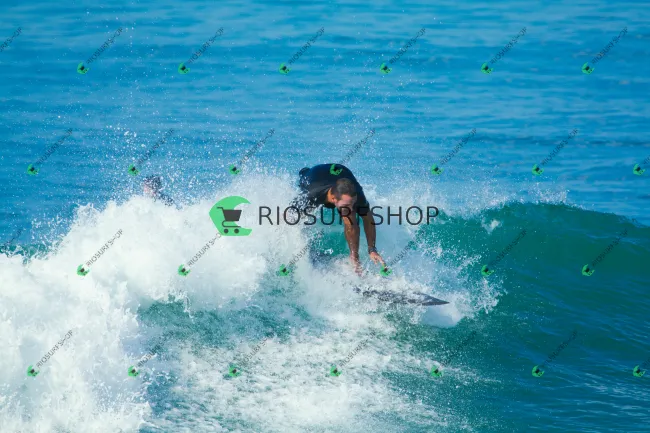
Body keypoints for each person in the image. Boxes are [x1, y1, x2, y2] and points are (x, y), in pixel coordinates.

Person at [290, 164, 385, 275]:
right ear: (333, 199)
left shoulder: (357, 195)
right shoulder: (312, 194)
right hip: (312, 176)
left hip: (342, 172)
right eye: (347, 205)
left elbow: (368, 219)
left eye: (352, 203)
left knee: (351, 217)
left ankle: (354, 258)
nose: (351, 208)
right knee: (297, 217)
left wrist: (372, 249)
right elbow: (288, 217)